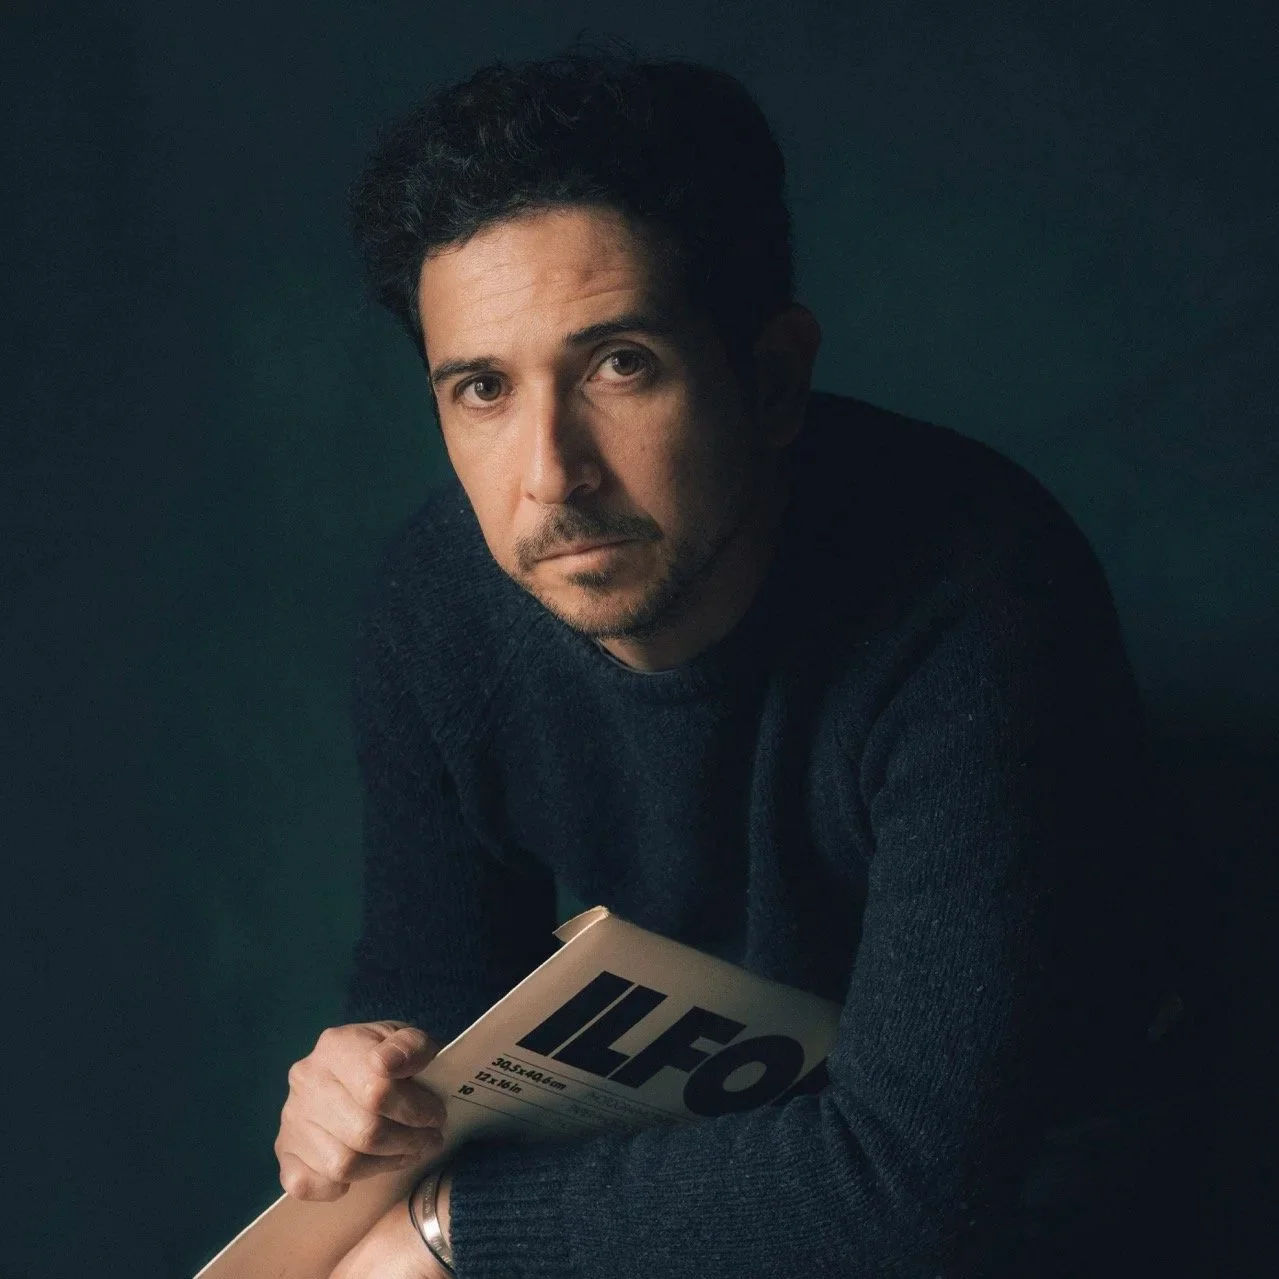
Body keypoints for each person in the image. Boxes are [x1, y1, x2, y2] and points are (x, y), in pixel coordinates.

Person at [273, 47, 1195, 1278]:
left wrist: (452, 1232)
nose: (550, 474)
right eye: (482, 388)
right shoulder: (438, 605)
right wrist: (367, 1094)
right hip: (702, 1193)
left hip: (1049, 1222)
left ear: (770, 379)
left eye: (619, 364)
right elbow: (441, 1009)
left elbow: (910, 1184)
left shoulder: (978, 592)